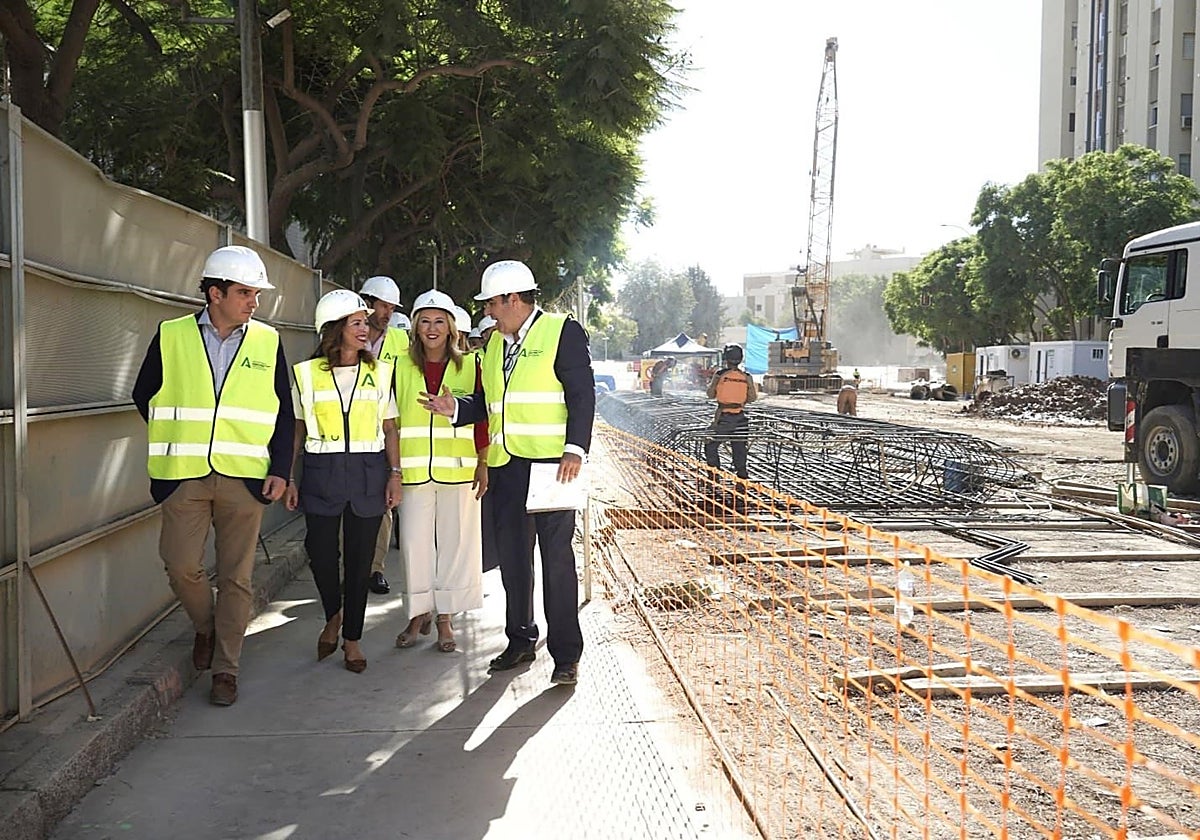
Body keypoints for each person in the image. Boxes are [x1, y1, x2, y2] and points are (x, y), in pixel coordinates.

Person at [132, 245, 295, 707]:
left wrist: (280, 469)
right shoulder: (171, 335)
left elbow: (283, 413)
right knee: (181, 566)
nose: (253, 303)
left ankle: (226, 668)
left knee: (237, 579)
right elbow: (144, 395)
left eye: (256, 295)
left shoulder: (267, 341)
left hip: (245, 478)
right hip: (183, 475)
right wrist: (182, 434)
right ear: (215, 292)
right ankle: (207, 626)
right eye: (245, 293)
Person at [421, 260, 595, 686]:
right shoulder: (494, 345)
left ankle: (565, 655)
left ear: (513, 299)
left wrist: (575, 449)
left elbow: (582, 394)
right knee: (514, 563)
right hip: (507, 468)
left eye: (492, 304)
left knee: (556, 563)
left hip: (554, 468)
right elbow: (488, 402)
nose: (489, 313)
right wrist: (455, 408)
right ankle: (519, 641)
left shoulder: (561, 331)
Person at [284, 289, 402, 674]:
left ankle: (352, 639)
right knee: (320, 553)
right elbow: (296, 430)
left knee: (360, 561)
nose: (364, 328)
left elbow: (390, 428)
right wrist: (288, 476)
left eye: (365, 322)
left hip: (369, 475)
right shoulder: (305, 375)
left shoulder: (381, 372)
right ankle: (333, 615)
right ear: (334, 329)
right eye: (356, 322)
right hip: (321, 474)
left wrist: (395, 475)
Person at [393, 290, 488, 653]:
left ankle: (446, 618)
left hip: (459, 471)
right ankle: (418, 614)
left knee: (456, 546)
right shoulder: (399, 365)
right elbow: (390, 420)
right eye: (425, 321)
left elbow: (483, 416)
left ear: (451, 327)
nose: (432, 328)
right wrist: (394, 470)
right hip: (414, 472)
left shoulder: (471, 364)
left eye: (439, 321)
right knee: (415, 546)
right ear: (415, 327)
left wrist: (483, 463)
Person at [361, 275, 408, 596]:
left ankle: (374, 569)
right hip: (348, 434)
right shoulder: (344, 334)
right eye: (382, 305)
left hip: (387, 432)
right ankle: (350, 565)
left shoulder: (401, 344)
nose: (387, 312)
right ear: (367, 303)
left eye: (392, 307)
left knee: (383, 504)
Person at [704, 343, 757, 480]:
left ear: (726, 359)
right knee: (739, 448)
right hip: (741, 418)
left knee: (710, 445)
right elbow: (752, 398)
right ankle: (742, 476)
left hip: (723, 418)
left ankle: (714, 475)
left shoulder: (720, 375)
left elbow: (710, 394)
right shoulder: (746, 376)